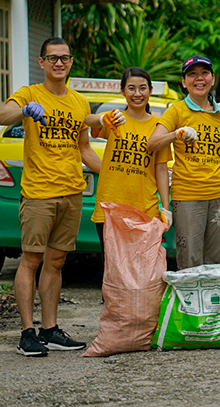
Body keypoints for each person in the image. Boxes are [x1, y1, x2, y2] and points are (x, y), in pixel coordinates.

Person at [0, 37, 101, 356]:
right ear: (41, 62)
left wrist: (112, 173)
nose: (59, 63)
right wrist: (23, 111)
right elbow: (4, 115)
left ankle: (50, 329)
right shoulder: (29, 94)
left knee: (56, 262)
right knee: (31, 259)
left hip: (71, 192)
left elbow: (84, 148)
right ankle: (27, 333)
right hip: (39, 193)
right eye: (52, 58)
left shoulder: (80, 103)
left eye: (65, 58)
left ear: (71, 63)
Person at [147, 55, 220, 270]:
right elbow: (152, 143)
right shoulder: (176, 111)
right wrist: (177, 134)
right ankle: (190, 305)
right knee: (190, 259)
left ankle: (215, 304)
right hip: (188, 196)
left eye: (204, 73)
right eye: (192, 74)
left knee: (218, 260)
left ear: (212, 79)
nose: (198, 79)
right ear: (184, 82)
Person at [84, 67, 172, 252]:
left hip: (144, 209)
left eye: (142, 88)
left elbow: (161, 169)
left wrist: (166, 207)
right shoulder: (114, 119)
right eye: (131, 88)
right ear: (122, 91)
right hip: (110, 208)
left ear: (150, 91)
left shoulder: (159, 128)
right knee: (113, 269)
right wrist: (102, 119)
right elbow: (87, 120)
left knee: (141, 270)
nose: (137, 93)